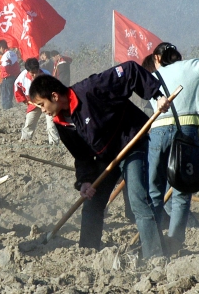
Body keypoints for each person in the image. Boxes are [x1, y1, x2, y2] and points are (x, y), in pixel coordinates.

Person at [29, 64, 171, 259]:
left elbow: (129, 71)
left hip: (130, 143)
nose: (42, 110)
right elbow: (81, 155)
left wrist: (156, 95)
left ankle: (155, 256)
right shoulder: (60, 122)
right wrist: (85, 180)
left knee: (138, 202)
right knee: (92, 204)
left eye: (41, 105)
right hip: (106, 156)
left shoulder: (90, 89)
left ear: (54, 96)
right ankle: (88, 253)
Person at [148, 42, 199, 254]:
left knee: (154, 191)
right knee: (182, 190)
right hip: (188, 132)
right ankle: (174, 246)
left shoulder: (154, 76)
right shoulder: (191, 66)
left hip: (158, 132)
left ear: (157, 58)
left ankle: (152, 247)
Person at [14, 58, 59, 144]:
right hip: (33, 103)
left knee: (51, 123)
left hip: (48, 103)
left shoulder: (46, 75)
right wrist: (24, 100)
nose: (34, 75)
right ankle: (25, 140)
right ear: (28, 71)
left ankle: (54, 142)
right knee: (30, 121)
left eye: (36, 72)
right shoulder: (22, 77)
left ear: (39, 69)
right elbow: (17, 88)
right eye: (32, 73)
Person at [0, 40, 21, 110]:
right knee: (10, 95)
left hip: (7, 77)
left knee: (6, 95)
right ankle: (9, 106)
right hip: (13, 76)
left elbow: (5, 68)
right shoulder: (13, 53)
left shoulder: (5, 56)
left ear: (1, 47)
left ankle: (6, 108)